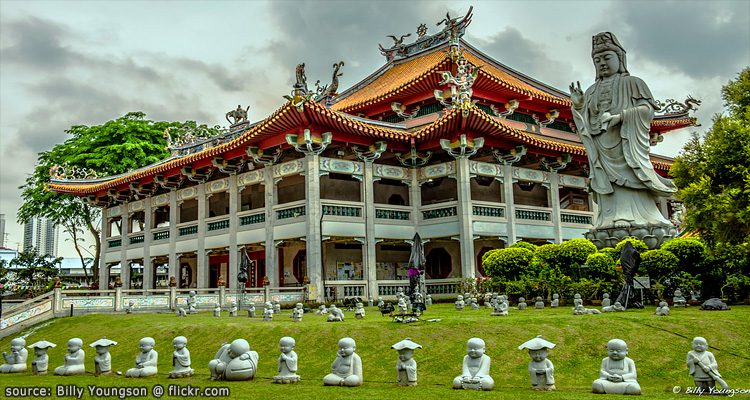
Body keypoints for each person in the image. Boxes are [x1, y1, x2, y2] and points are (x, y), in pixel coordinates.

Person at [570, 32, 676, 235]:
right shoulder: (591, 90)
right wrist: (579, 106)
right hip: (602, 144)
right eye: (597, 60)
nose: (602, 63)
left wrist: (620, 117)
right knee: (609, 186)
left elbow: (647, 111)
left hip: (625, 141)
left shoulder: (634, 82)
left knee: (630, 177)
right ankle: (609, 216)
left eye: (607, 58)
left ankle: (639, 216)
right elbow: (585, 121)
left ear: (620, 59)